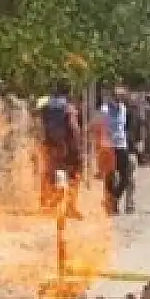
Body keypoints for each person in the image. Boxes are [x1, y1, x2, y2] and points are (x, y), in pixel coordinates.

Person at [39, 81, 83, 218]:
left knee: (49, 173)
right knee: (74, 174)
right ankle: (70, 206)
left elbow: (39, 124)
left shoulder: (45, 106)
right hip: (66, 146)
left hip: (49, 144)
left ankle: (46, 202)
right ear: (68, 93)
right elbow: (73, 128)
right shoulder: (68, 108)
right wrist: (77, 148)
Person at [99, 86, 134, 214]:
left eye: (122, 96)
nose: (120, 99)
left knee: (125, 177)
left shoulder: (124, 109)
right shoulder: (104, 109)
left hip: (121, 145)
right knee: (110, 176)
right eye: (118, 96)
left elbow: (124, 127)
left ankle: (114, 198)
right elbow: (100, 126)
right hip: (108, 146)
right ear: (113, 97)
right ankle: (111, 204)